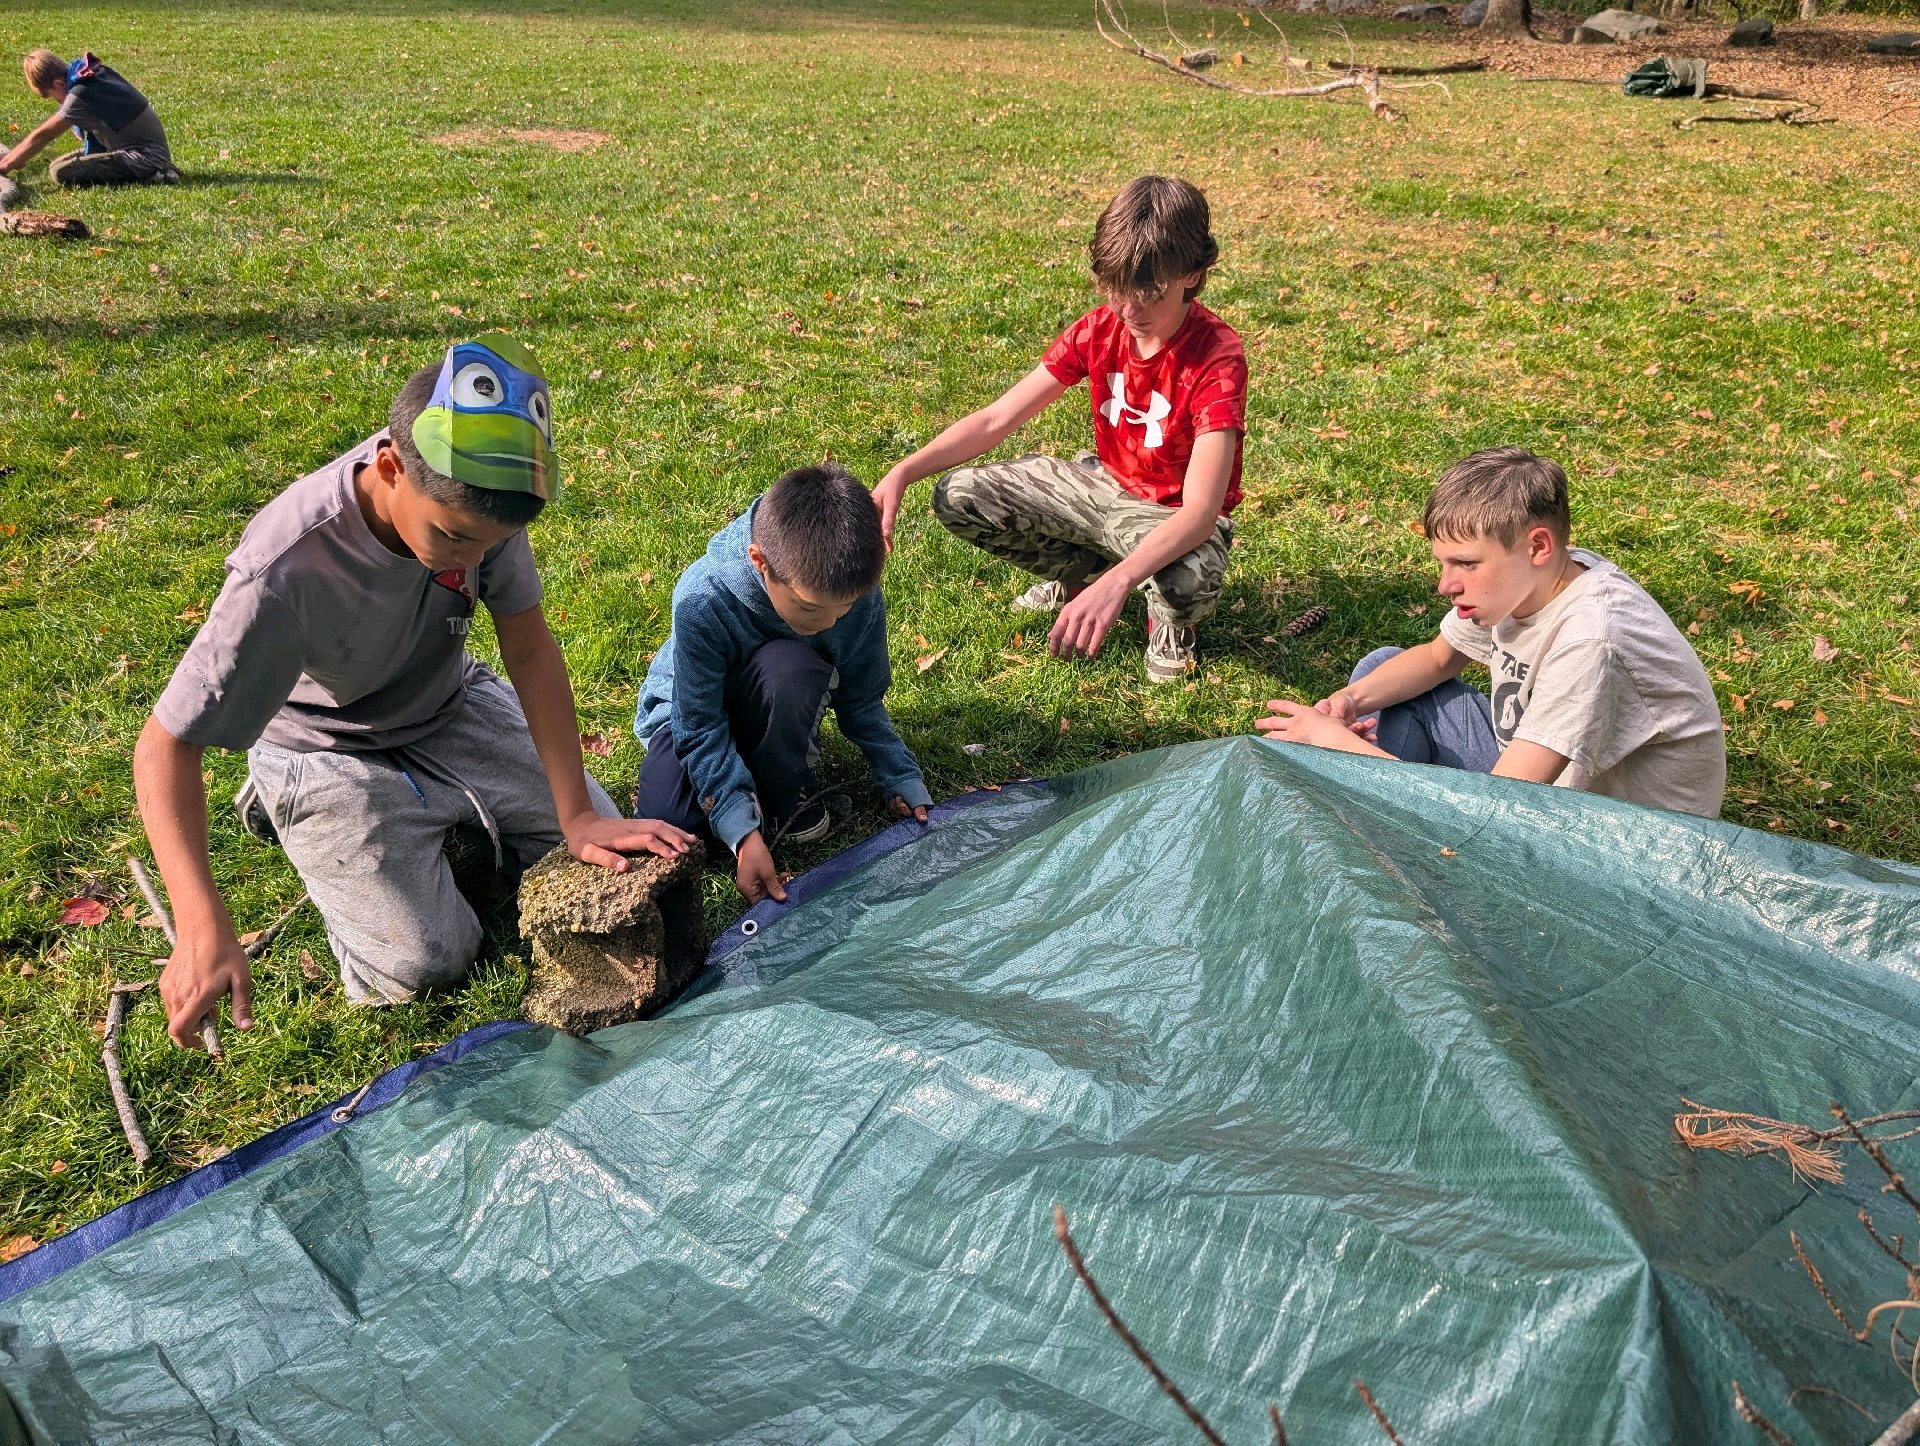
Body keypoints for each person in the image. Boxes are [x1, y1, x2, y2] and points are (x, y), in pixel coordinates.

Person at [136, 334, 691, 1048]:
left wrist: (578, 813)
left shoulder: (481, 501)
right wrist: (200, 919)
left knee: (607, 845)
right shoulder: (285, 568)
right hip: (324, 744)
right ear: (392, 466)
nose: (475, 558)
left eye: (490, 543)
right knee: (424, 962)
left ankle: (446, 820)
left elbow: (526, 645)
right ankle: (281, 802)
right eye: (456, 538)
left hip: (445, 703)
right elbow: (163, 746)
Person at [871, 175, 1247, 684]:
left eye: (1149, 295)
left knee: (1188, 579)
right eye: (1117, 291)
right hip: (1102, 486)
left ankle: (1165, 620)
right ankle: (1078, 577)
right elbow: (996, 419)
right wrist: (901, 472)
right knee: (960, 496)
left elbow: (1202, 512)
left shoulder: (1216, 357)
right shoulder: (1099, 330)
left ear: (1194, 273)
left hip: (1170, 514)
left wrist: (1118, 584)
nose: (1129, 311)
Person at [1256, 447, 1727, 817]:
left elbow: (1495, 808)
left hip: (1612, 838)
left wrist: (1337, 743)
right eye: (1443, 563)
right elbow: (1439, 659)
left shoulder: (1592, 639)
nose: (1446, 585)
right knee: (1381, 671)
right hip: (1532, 772)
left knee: (1376, 765)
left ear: (1537, 546)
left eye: (1466, 564)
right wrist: (1346, 705)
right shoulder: (1532, 578)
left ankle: (1387, 819)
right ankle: (1386, 806)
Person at [633, 462, 933, 904]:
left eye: (844, 608)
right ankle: (749, 792)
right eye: (810, 610)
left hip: (781, 690)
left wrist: (899, 774)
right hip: (691, 713)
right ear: (760, 561)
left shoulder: (858, 593)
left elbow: (861, 699)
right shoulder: (703, 597)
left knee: (790, 664)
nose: (829, 622)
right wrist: (739, 830)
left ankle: (782, 784)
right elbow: (697, 723)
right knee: (672, 821)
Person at [2, 49, 177, 187]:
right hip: (134, 148)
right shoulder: (89, 75)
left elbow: (44, 134)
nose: (58, 102)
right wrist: (11, 158)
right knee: (57, 165)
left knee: (59, 172)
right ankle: (155, 170)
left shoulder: (80, 95)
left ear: (59, 84)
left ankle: (158, 174)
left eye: (53, 96)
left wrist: (8, 165)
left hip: (145, 157)